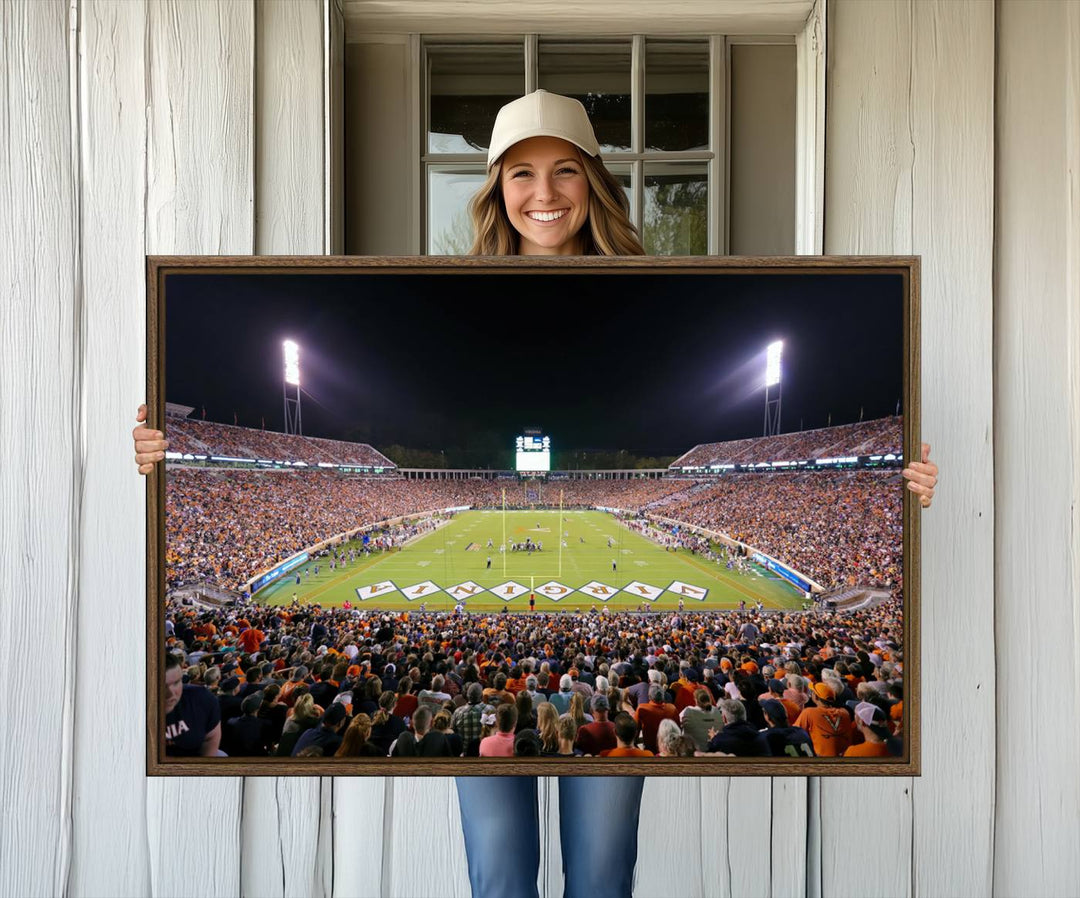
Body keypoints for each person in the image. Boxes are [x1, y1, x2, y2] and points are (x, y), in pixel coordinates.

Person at [133, 88, 939, 898]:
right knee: (500, 879)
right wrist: (159, 453)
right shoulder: (455, 280)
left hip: (572, 710)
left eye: (564, 171)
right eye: (520, 173)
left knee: (599, 878)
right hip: (497, 713)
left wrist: (904, 488)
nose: (544, 194)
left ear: (594, 180)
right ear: (495, 188)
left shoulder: (650, 284)